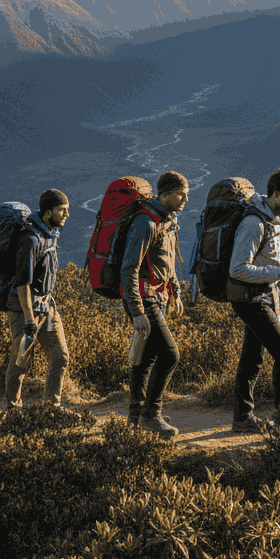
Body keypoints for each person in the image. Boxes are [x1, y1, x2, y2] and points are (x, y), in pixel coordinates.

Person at [228, 167, 280, 435]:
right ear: (275, 195)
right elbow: (237, 269)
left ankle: (242, 418)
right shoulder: (254, 224)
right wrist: (279, 272)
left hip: (265, 295)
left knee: (253, 357)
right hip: (250, 298)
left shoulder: (275, 218)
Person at [121, 171, 188, 439]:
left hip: (158, 298)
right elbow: (129, 270)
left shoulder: (166, 221)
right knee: (170, 354)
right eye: (181, 193)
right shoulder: (146, 223)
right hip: (144, 299)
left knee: (146, 358)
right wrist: (137, 312)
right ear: (164, 195)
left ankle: (136, 414)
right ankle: (152, 415)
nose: (186, 198)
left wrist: (176, 293)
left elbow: (166, 262)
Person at [4, 189, 71, 410]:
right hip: (27, 309)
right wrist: (29, 320)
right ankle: (12, 411)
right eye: (62, 210)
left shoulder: (49, 234)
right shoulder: (30, 239)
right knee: (21, 361)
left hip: (47, 306)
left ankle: (52, 407)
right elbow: (22, 283)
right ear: (48, 212)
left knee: (60, 356)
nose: (66, 215)